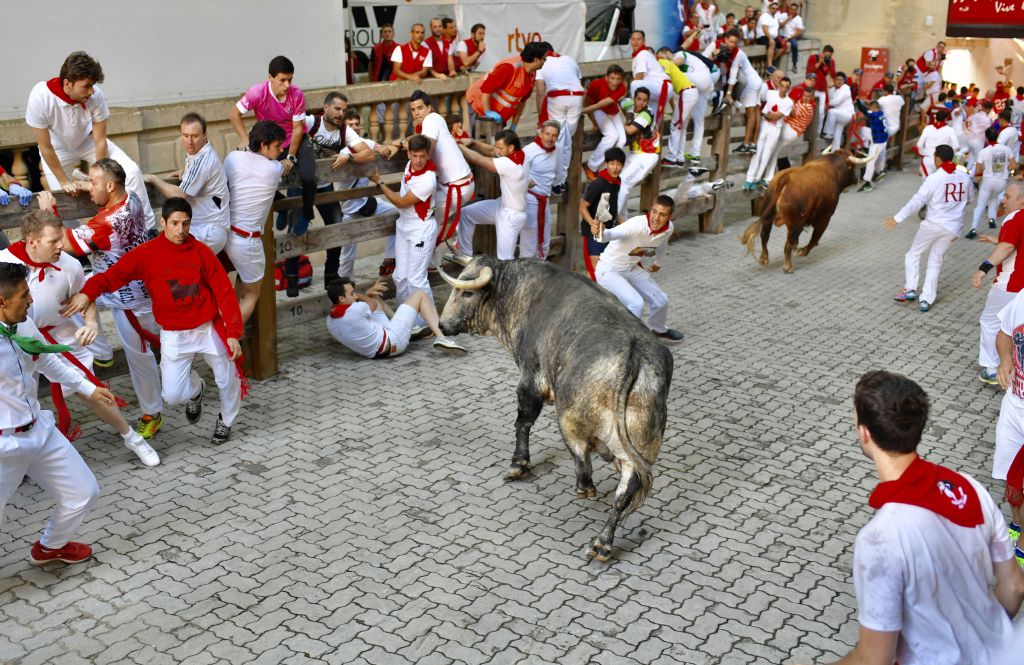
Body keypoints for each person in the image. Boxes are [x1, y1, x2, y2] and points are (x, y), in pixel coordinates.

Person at [790, 370, 1024, 665]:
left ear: (864, 433)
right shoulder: (970, 488)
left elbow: (874, 659)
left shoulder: (880, 539)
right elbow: (1014, 586)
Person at [64, 198, 245, 445]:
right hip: (173, 333)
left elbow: (224, 291)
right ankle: (196, 390)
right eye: (174, 223)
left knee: (227, 376)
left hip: (206, 327)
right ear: (163, 222)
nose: (180, 230)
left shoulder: (202, 252)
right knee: (172, 394)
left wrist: (233, 332)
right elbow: (109, 278)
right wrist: (87, 292)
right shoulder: (146, 254)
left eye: (185, 224)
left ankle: (226, 421)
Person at [0, 209, 158, 464]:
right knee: (14, 396)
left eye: (60, 239)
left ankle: (133, 439)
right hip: (16, 338)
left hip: (62, 336)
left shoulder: (69, 265)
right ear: (32, 241)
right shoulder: (4, 263)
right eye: (53, 241)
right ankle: (20, 456)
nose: (61, 246)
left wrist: (91, 322)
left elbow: (85, 295)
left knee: (90, 389)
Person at [0, 262, 114, 566]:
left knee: (84, 492)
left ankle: (51, 547)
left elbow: (44, 360)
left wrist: (88, 388)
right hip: (3, 448)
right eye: (25, 295)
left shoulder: (23, 323)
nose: (32, 300)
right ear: (2, 301)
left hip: (40, 430)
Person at [48, 158, 164, 431]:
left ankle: (153, 413)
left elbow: (62, 243)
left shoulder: (105, 224)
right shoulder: (131, 198)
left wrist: (50, 208)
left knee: (142, 358)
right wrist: (82, 184)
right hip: (128, 287)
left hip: (129, 301)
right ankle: (99, 351)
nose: (89, 188)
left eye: (93, 182)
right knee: (71, 294)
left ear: (110, 186)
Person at [26, 51, 155, 230]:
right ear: (67, 83)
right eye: (86, 86)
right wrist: (65, 181)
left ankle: (147, 228)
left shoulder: (96, 96)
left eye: (93, 85)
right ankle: (77, 248)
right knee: (61, 199)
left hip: (89, 141)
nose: (91, 91)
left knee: (132, 172)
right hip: (57, 150)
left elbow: (100, 141)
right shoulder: (40, 96)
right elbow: (45, 147)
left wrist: (100, 178)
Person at [228, 55, 312, 297]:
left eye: (290, 80)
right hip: (267, 142)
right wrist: (246, 141)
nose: (287, 85)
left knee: (306, 175)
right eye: (283, 80)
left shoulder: (297, 94)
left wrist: (291, 157)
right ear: (271, 79)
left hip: (288, 143)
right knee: (261, 179)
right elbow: (234, 113)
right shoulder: (257, 92)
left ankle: (301, 216)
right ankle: (282, 208)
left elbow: (298, 129)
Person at [301, 92, 378, 284]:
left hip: (325, 187)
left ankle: (331, 279)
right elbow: (289, 132)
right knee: (298, 229)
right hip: (301, 188)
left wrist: (349, 157)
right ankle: (293, 276)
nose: (340, 113)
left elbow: (368, 155)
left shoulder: (345, 131)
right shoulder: (311, 122)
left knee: (336, 229)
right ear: (325, 107)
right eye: (337, 109)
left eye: (343, 110)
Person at [886, 144, 974, 312]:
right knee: (936, 261)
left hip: (933, 224)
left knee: (913, 254)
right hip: (953, 227)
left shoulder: (934, 178)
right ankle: (926, 299)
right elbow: (970, 199)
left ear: (938, 159)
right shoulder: (964, 176)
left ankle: (910, 289)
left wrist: (898, 218)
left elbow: (917, 201)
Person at [589, 195, 684, 342]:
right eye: (654, 212)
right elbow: (610, 234)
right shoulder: (636, 224)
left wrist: (658, 262)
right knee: (636, 304)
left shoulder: (668, 228)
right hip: (608, 269)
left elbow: (662, 243)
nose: (656, 218)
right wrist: (600, 231)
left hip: (630, 267)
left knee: (661, 300)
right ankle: (626, 341)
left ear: (669, 217)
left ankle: (657, 329)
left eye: (662, 214)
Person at [223, 120, 286, 324]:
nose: (281, 150)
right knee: (252, 294)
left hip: (228, 236)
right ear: (263, 145)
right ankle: (228, 337)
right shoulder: (274, 169)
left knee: (241, 285)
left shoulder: (233, 158)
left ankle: (224, 325)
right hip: (248, 242)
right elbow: (279, 167)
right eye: (277, 146)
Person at [368, 135, 439, 314]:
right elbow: (405, 141)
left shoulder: (428, 179)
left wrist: (380, 182)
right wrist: (395, 144)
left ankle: (429, 321)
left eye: (423, 156)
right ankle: (406, 316)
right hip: (404, 225)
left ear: (428, 155)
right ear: (408, 154)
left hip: (421, 229)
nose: (418, 160)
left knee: (416, 279)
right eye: (414, 155)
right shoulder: (411, 158)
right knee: (400, 276)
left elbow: (401, 203)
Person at [143, 113, 230, 253]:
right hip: (203, 228)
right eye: (185, 135)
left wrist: (154, 179)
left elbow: (180, 195)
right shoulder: (200, 152)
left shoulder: (203, 159)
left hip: (208, 231)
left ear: (205, 135)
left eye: (195, 136)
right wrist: (185, 171)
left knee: (161, 253)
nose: (190, 141)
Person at [325, 277, 464, 358]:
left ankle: (408, 327)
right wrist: (364, 294)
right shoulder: (354, 310)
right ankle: (441, 337)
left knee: (374, 298)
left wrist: (369, 295)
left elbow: (372, 304)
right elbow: (370, 303)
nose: (355, 296)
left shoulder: (330, 321)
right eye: (351, 294)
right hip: (394, 341)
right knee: (420, 295)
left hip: (376, 351)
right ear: (341, 298)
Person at [336, 108, 400, 280]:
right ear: (344, 129)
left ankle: (389, 259)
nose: (355, 128)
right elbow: (357, 154)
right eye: (350, 125)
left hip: (366, 203)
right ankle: (344, 287)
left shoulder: (366, 143)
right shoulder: (342, 149)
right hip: (350, 210)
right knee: (347, 255)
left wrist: (391, 147)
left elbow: (381, 148)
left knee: (400, 215)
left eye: (357, 124)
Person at [971, 181, 1024, 385]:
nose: (1004, 200)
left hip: (1010, 284)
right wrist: (998, 240)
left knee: (991, 322)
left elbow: (1008, 247)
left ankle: (992, 368)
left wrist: (983, 268)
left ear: (1022, 201)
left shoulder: (1014, 217)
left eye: (1008, 196)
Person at [407, 91, 476, 247]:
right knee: (423, 219)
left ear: (429, 108)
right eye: (413, 109)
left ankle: (428, 261)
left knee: (422, 219)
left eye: (420, 108)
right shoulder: (433, 121)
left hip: (457, 187)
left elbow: (426, 151)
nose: (416, 113)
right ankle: (429, 260)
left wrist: (405, 145)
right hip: (456, 184)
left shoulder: (431, 119)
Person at [452, 130, 528, 260]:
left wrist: (458, 144)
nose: (497, 151)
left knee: (505, 260)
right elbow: (493, 151)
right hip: (502, 205)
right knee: (466, 214)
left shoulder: (510, 164)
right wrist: (474, 142)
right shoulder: (522, 154)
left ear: (511, 148)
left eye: (500, 148)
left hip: (511, 216)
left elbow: (480, 160)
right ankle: (465, 257)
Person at [466, 42, 547, 130]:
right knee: (476, 141)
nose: (545, 61)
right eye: (544, 59)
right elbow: (486, 90)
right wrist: (488, 112)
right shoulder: (508, 68)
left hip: (498, 116)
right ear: (536, 59)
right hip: (479, 107)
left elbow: (521, 102)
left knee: (495, 142)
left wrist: (514, 126)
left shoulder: (532, 74)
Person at [534, 47, 583, 193]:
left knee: (559, 140)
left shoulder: (541, 64)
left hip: (557, 97)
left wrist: (540, 118)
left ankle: (555, 182)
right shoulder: (569, 60)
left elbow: (540, 91)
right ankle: (561, 180)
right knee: (568, 139)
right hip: (577, 97)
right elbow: (577, 80)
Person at [580, 148, 625, 279]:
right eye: (612, 164)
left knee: (604, 269)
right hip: (594, 231)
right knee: (598, 270)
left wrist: (620, 220)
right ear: (606, 164)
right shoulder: (598, 184)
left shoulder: (617, 182)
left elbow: (611, 205)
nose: (615, 168)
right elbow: (582, 207)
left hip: (608, 229)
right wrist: (592, 223)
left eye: (619, 164)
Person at [669, 49, 721, 163]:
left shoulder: (678, 55)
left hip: (709, 76)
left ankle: (714, 96)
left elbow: (680, 60)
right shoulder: (691, 62)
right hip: (706, 80)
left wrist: (664, 65)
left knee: (684, 120)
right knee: (698, 120)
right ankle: (695, 153)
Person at [618, 88, 661, 217]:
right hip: (634, 153)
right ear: (634, 98)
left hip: (648, 155)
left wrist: (614, 122)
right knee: (618, 182)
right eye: (638, 99)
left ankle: (613, 218)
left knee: (624, 182)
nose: (641, 103)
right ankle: (622, 221)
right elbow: (618, 100)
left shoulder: (647, 113)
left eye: (645, 100)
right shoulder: (628, 104)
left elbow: (630, 130)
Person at [744, 76, 793, 189]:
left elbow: (776, 117)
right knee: (757, 152)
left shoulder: (789, 102)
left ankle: (756, 179)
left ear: (788, 88)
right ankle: (749, 179)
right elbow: (758, 99)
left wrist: (764, 114)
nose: (783, 89)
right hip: (764, 126)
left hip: (775, 129)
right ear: (779, 86)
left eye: (786, 87)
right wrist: (763, 115)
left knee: (767, 154)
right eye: (782, 86)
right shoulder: (770, 93)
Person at [720, 30, 764, 153]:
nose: (733, 44)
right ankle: (753, 144)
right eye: (731, 41)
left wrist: (729, 94)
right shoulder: (732, 51)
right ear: (726, 40)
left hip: (750, 84)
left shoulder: (738, 54)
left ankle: (746, 144)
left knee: (751, 114)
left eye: (735, 42)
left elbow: (733, 75)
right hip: (756, 80)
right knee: (756, 112)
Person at [968, 127, 1016, 238]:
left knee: (980, 205)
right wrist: (1005, 169)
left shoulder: (984, 151)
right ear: (998, 136)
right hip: (1002, 181)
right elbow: (1014, 165)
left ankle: (973, 228)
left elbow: (979, 170)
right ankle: (992, 219)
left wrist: (986, 167)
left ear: (986, 138)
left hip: (988, 180)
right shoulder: (1006, 149)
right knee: (994, 198)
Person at [521, 121, 560, 259]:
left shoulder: (557, 150)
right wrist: (525, 180)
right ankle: (524, 277)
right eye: (547, 134)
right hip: (530, 200)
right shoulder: (529, 150)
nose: (550, 138)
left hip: (545, 200)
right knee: (529, 245)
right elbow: (516, 170)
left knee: (544, 243)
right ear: (541, 133)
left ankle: (540, 277)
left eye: (554, 135)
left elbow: (558, 173)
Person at [583, 65, 628, 179]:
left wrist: (581, 111)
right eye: (612, 78)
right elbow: (587, 102)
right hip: (597, 110)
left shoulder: (622, 87)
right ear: (606, 77)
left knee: (622, 140)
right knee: (612, 136)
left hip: (612, 111)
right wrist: (593, 121)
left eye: (618, 79)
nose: (615, 82)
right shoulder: (596, 84)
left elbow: (604, 103)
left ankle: (606, 168)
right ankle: (591, 166)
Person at [656, 49, 699, 167]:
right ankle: (679, 157)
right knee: (681, 127)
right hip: (691, 92)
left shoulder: (662, 63)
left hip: (686, 93)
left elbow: (666, 84)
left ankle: (671, 157)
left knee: (675, 126)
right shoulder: (669, 64)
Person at [628, 31, 672, 123]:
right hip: (656, 89)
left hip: (660, 86)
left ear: (644, 41)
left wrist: (629, 98)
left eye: (638, 39)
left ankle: (633, 114)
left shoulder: (642, 53)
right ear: (630, 41)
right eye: (633, 39)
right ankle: (655, 136)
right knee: (654, 121)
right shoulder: (640, 55)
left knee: (634, 84)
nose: (635, 42)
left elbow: (639, 76)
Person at [370, 23, 400, 141]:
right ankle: (384, 137)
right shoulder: (376, 48)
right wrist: (371, 81)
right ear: (382, 34)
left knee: (394, 113)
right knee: (380, 115)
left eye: (389, 31)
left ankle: (394, 137)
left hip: (394, 85)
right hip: (379, 84)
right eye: (385, 31)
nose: (387, 33)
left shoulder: (399, 48)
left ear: (393, 33)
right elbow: (371, 65)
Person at [853, 98, 889, 191]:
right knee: (864, 129)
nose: (869, 108)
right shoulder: (881, 113)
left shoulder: (875, 115)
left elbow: (864, 110)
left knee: (870, 162)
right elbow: (869, 109)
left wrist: (858, 101)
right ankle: (865, 148)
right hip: (880, 139)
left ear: (874, 108)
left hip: (878, 143)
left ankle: (867, 184)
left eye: (871, 107)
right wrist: (865, 103)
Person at [916, 109, 960, 178]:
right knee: (940, 185)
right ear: (945, 119)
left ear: (935, 118)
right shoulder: (950, 130)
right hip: (942, 161)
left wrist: (923, 153)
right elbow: (956, 147)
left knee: (927, 185)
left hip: (928, 159)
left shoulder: (928, 128)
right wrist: (950, 157)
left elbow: (919, 144)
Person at [805, 45, 837, 135]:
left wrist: (830, 65)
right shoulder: (813, 58)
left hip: (822, 89)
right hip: (812, 88)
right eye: (826, 56)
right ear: (822, 53)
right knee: (808, 110)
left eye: (830, 56)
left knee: (821, 113)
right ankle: (806, 130)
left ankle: (818, 132)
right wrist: (819, 63)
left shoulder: (831, 61)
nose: (828, 58)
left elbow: (834, 76)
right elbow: (808, 73)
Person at [823, 72, 854, 151]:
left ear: (844, 81)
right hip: (838, 116)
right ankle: (835, 152)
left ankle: (828, 133)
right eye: (837, 79)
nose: (839, 81)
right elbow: (829, 100)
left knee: (831, 112)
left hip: (847, 114)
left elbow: (837, 101)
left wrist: (826, 104)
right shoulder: (832, 90)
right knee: (837, 136)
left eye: (841, 80)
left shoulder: (845, 87)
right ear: (834, 80)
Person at [966, 99, 994, 172]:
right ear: (990, 109)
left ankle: (967, 173)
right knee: (979, 161)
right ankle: (971, 176)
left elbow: (968, 120)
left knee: (971, 159)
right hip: (978, 142)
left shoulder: (976, 115)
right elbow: (988, 132)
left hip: (970, 139)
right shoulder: (987, 119)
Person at [754, 2, 782, 68]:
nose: (774, 10)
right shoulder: (765, 16)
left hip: (771, 36)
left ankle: (772, 59)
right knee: (772, 43)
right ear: (769, 8)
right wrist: (770, 38)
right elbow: (764, 28)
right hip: (762, 36)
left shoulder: (775, 17)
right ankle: (769, 66)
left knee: (784, 45)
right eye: (773, 8)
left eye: (776, 9)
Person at [779, 3, 804, 73]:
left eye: (794, 10)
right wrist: (787, 19)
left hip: (791, 37)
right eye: (792, 9)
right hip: (782, 35)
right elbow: (780, 26)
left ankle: (794, 64)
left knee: (794, 45)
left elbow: (799, 32)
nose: (793, 11)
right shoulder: (784, 15)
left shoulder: (798, 19)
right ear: (789, 9)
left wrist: (788, 38)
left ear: (797, 10)